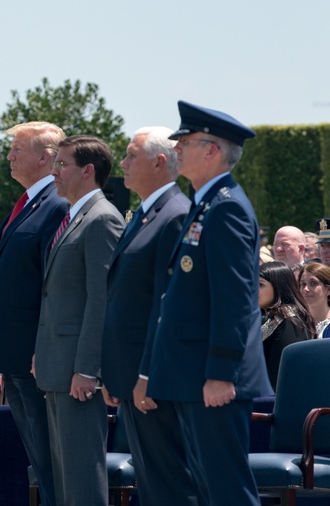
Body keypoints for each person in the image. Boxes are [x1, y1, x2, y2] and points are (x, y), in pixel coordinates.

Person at [141, 101, 273, 505]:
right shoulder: (207, 203)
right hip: (192, 374)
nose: (176, 148)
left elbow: (234, 300)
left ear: (212, 150)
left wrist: (221, 372)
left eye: (186, 142)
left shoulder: (227, 207)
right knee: (206, 488)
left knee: (226, 489)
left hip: (213, 378)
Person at [99, 126, 200, 506]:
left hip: (154, 378)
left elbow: (166, 305)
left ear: (160, 162)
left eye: (130, 155)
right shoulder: (145, 214)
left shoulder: (174, 215)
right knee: (154, 482)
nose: (122, 164)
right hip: (132, 373)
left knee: (171, 482)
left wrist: (146, 374)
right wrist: (115, 370)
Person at [0, 121, 68, 505]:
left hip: (33, 354)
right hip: (13, 354)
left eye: (18, 148)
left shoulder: (57, 204)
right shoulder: (29, 202)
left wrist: (41, 346)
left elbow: (53, 283)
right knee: (36, 454)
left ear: (45, 157)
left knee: (50, 457)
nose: (10, 155)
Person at [34, 135, 124, 506]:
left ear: (87, 171)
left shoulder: (102, 219)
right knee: (66, 475)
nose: (53, 172)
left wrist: (88, 368)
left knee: (82, 476)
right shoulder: (75, 215)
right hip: (58, 363)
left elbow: (101, 300)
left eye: (61, 164)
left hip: (77, 371)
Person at [259, 261, 315, 389]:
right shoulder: (267, 317)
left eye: (260, 285)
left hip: (273, 402)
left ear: (278, 286)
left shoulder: (290, 321)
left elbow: (280, 375)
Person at [298, 262, 330, 338]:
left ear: (328, 290)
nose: (306, 289)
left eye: (313, 283)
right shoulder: (295, 324)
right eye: (303, 284)